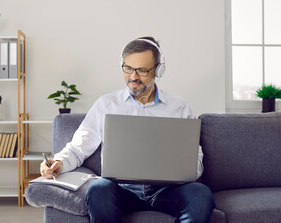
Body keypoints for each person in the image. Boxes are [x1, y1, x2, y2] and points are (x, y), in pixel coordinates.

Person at [40, 37, 215, 223]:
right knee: (99, 189)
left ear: (157, 70)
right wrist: (59, 162)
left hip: (168, 190)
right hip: (121, 190)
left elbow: (195, 159)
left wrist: (183, 171)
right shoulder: (106, 104)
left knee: (200, 194)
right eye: (128, 68)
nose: (133, 77)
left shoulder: (179, 106)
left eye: (142, 70)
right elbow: (78, 147)